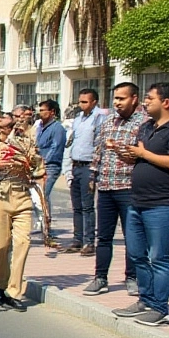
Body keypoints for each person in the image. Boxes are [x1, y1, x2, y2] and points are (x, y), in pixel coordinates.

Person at [111, 83, 169, 326]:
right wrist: (125, 153)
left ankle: (160, 308)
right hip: (138, 201)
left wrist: (144, 154)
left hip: (164, 204)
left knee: (158, 257)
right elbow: (140, 156)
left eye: (149, 98)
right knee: (137, 255)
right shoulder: (147, 127)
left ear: (166, 102)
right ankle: (145, 300)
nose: (145, 102)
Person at [0, 111, 45, 310]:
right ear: (1, 128)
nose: (14, 128)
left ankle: (13, 291)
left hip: (22, 196)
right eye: (8, 125)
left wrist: (31, 162)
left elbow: (39, 170)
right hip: (1, 197)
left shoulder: (27, 144)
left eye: (16, 125)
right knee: (0, 247)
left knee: (23, 243)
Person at [84, 82, 146, 297]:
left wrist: (124, 150)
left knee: (132, 236)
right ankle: (100, 277)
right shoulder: (109, 121)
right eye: (116, 99)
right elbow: (98, 150)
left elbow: (142, 154)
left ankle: (132, 277)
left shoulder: (144, 123)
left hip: (129, 187)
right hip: (106, 186)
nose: (117, 103)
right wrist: (93, 175)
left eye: (122, 98)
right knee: (103, 236)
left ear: (134, 99)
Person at [65, 89, 106, 255]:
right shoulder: (78, 120)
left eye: (85, 102)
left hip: (89, 165)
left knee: (87, 205)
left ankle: (89, 241)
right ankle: (77, 239)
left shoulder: (99, 119)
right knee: (76, 206)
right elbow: (71, 142)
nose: (81, 105)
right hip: (76, 164)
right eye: (80, 101)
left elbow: (99, 144)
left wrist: (95, 168)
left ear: (94, 102)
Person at [35, 99, 67, 207]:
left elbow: (56, 147)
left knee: (43, 195)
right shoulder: (40, 127)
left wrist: (44, 162)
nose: (40, 113)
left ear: (52, 112)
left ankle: (46, 221)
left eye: (43, 110)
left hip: (49, 166)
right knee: (36, 196)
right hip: (39, 165)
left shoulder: (58, 128)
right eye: (40, 110)